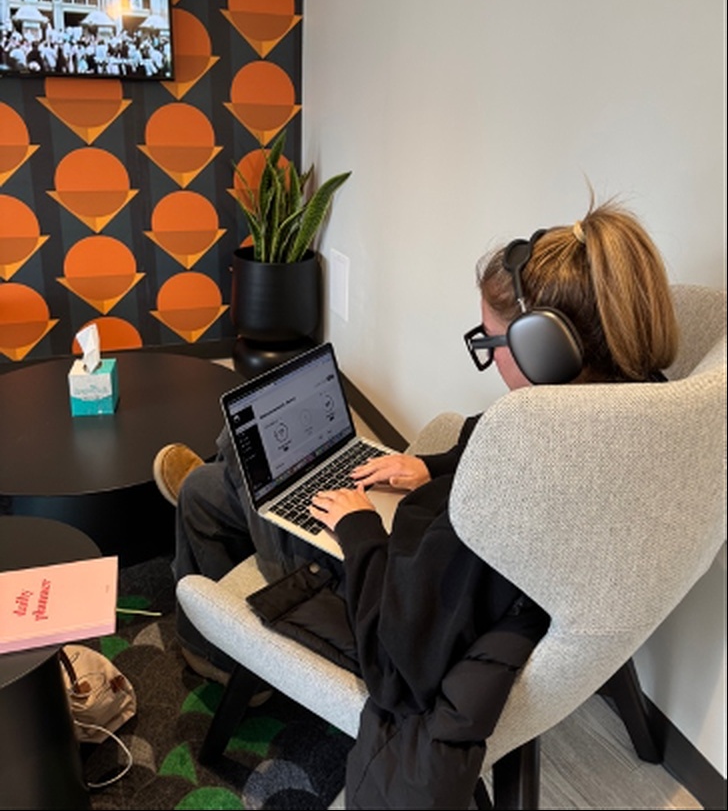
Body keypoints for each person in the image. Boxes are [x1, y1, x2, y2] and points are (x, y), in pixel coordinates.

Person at [154, 196, 678, 806]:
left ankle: (211, 640)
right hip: (463, 583)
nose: (487, 357)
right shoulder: (636, 412)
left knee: (230, 467)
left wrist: (357, 528)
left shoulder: (519, 469)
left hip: (381, 611)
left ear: (546, 349)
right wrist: (425, 467)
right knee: (225, 483)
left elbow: (399, 653)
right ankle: (232, 486)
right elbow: (479, 480)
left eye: (490, 341)